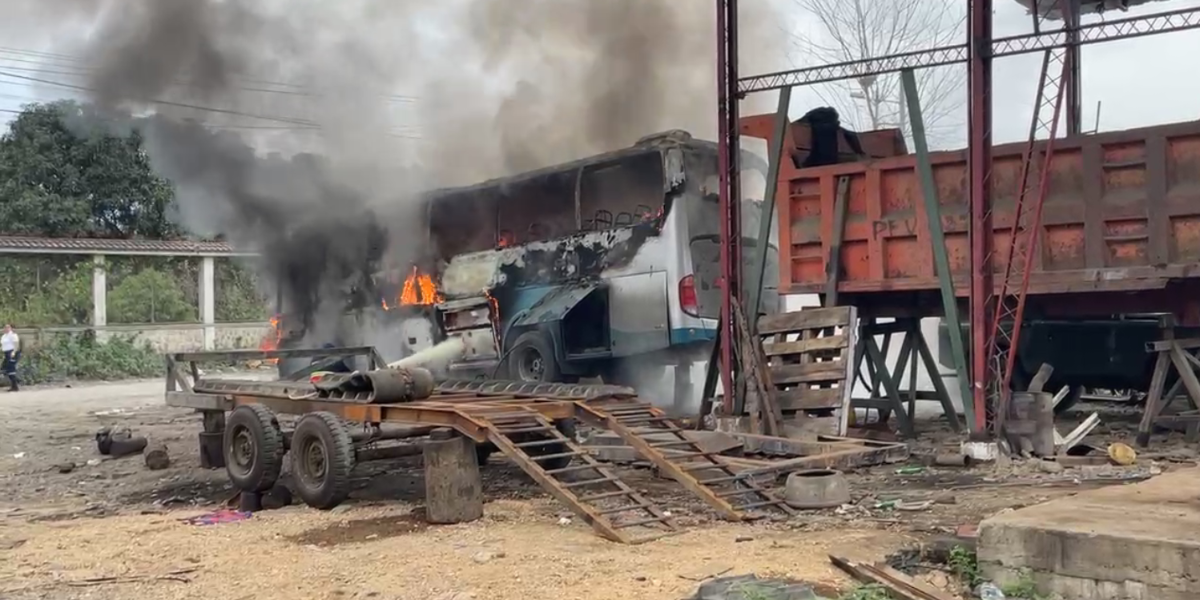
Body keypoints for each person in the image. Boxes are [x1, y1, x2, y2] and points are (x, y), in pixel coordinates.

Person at [2, 324, 20, 392]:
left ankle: (15, 386)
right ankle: (14, 383)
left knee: (11, 369)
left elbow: (16, 344)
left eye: (8, 327)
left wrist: (14, 352)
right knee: (4, 368)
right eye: (5, 327)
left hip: (12, 353)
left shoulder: (13, 335)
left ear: (11, 328)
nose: (6, 328)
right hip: (6, 353)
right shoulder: (4, 336)